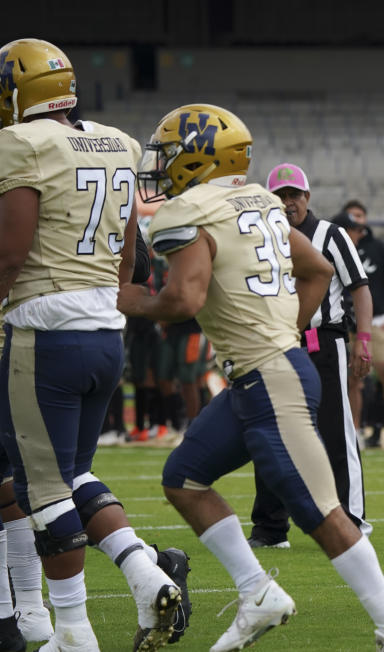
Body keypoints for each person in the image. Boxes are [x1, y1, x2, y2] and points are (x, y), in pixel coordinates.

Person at [118, 103, 384, 651]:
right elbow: (317, 269)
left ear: (199, 157)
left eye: (171, 153)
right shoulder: (261, 200)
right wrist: (284, 327)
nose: (164, 163)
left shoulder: (187, 210)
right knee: (184, 477)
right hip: (261, 373)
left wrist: (130, 300)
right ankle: (257, 592)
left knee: (321, 513)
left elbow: (185, 298)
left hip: (271, 378)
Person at [0, 38, 191, 652]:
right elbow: (131, 257)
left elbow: (10, 253)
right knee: (73, 473)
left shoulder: (20, 143)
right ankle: (144, 573)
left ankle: (74, 633)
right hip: (105, 330)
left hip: (43, 328)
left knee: (43, 489)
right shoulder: (118, 142)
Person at [246, 162, 374, 549]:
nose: (288, 203)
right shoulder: (259, 237)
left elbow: (360, 289)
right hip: (275, 343)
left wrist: (363, 340)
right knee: (270, 434)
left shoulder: (330, 235)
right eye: (280, 196)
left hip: (323, 341)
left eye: (294, 195)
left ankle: (352, 518)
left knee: (336, 432)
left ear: (307, 197)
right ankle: (270, 527)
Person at [341, 201, 384, 448]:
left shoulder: (377, 248)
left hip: (377, 323)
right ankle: (356, 430)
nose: (357, 221)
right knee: (353, 381)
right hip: (345, 323)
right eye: (352, 217)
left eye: (360, 216)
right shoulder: (337, 246)